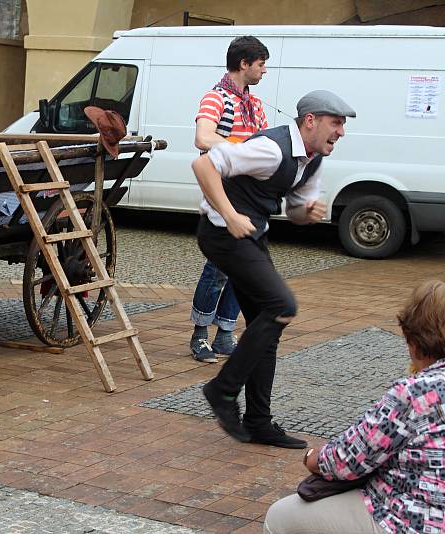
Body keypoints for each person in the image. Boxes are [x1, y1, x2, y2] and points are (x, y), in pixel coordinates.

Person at [193, 89, 356, 448]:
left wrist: (306, 214)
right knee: (282, 306)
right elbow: (203, 165)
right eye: (336, 123)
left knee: (267, 325)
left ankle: (258, 422)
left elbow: (294, 212)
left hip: (251, 235)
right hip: (223, 234)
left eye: (343, 125)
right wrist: (231, 214)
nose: (341, 132)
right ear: (310, 121)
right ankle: (222, 390)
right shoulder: (271, 148)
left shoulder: (310, 159)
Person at [264, 280, 445, 533]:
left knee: (280, 518)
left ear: (415, 340)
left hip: (412, 520)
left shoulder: (416, 392)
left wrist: (313, 458)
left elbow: (350, 458)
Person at [190, 36, 269, 363]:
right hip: (223, 192)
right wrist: (243, 147)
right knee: (219, 266)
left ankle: (225, 333)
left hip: (250, 194)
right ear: (244, 64)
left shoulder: (256, 104)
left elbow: (265, 143)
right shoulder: (215, 97)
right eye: (261, 64)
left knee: (244, 266)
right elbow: (202, 137)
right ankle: (199, 334)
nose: (264, 71)